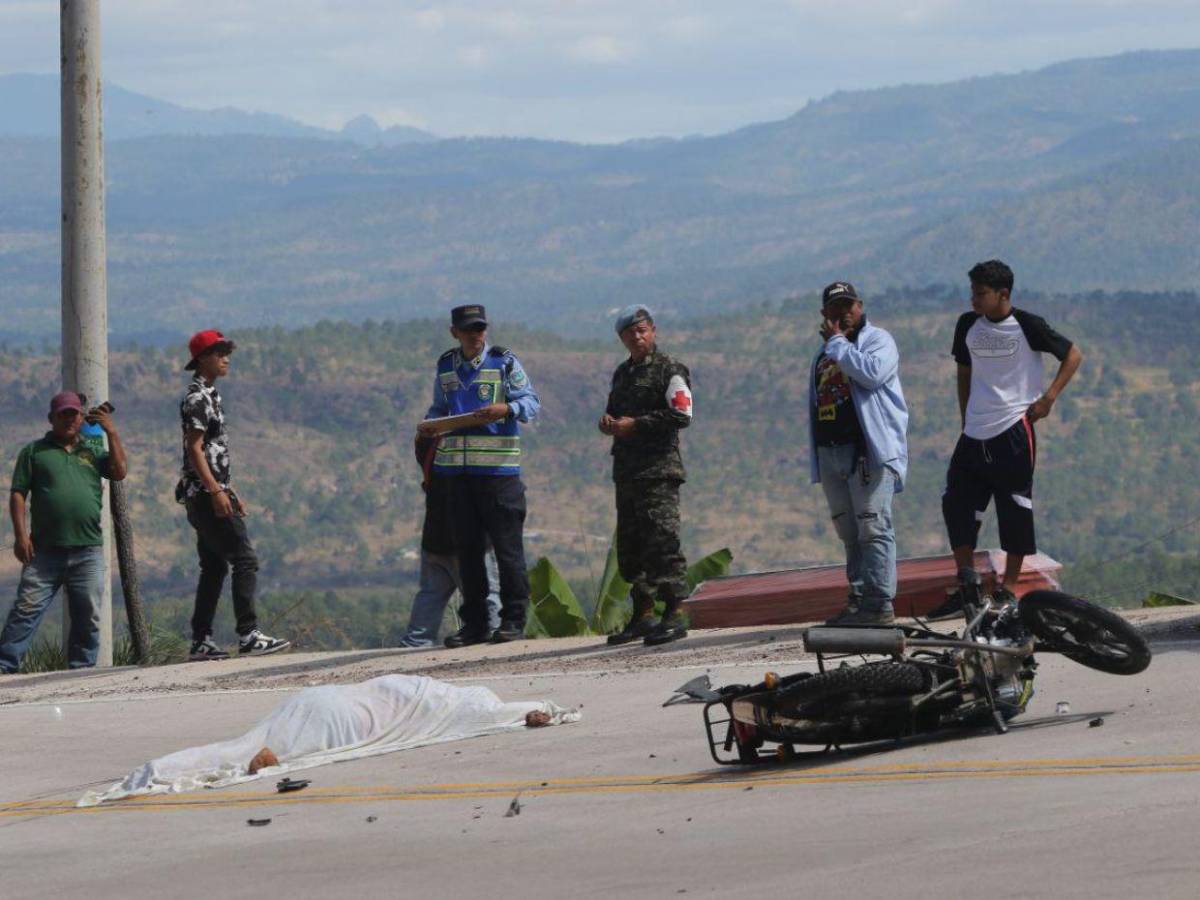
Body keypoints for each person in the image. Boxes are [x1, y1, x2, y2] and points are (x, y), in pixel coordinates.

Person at [929, 260, 1082, 619]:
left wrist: (1048, 399)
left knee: (1014, 508)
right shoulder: (968, 325)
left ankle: (1007, 590)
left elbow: (1073, 354)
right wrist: (965, 415)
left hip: (1013, 429)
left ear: (1003, 294)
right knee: (957, 502)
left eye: (981, 293)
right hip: (974, 433)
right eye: (972, 292)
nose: (974, 300)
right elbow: (964, 371)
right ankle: (966, 584)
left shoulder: (1027, 325)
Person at [418, 306, 540, 647]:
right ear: (454, 332)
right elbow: (440, 408)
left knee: (507, 550)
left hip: (498, 473)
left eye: (480, 328)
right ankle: (475, 624)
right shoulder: (446, 366)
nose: (476, 335)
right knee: (467, 551)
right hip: (456, 474)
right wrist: (430, 424)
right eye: (469, 329)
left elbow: (531, 403)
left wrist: (507, 409)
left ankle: (513, 619)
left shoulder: (504, 363)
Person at [176, 329, 290, 660]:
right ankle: (249, 634)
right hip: (204, 494)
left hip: (209, 491)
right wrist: (214, 490)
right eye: (218, 352)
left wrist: (228, 488)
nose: (225, 358)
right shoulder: (197, 398)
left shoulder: (210, 395)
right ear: (201, 359)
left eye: (227, 351)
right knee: (244, 559)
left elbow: (213, 450)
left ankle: (201, 640)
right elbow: (194, 449)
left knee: (213, 567)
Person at [0, 391, 127, 673]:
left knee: (88, 614)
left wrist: (112, 431)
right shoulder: (34, 452)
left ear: (82, 418)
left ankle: (80, 671)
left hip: (87, 549)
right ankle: (5, 667)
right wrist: (21, 537)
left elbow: (119, 471)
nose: (70, 420)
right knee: (26, 609)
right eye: (63, 415)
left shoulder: (93, 451)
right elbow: (18, 495)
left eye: (74, 414)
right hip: (44, 551)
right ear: (51, 419)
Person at [808, 282, 909, 626]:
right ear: (824, 314)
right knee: (848, 531)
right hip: (832, 452)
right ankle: (858, 599)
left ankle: (880, 603)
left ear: (860, 306)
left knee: (873, 526)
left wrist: (836, 343)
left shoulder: (878, 341)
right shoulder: (824, 355)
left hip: (868, 453)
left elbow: (872, 374)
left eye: (848, 306)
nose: (842, 314)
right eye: (835, 308)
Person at [599, 305, 693, 646]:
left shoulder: (669, 369)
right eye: (630, 333)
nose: (637, 337)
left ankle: (676, 611)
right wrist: (610, 423)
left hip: (658, 470)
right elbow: (614, 411)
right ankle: (642, 614)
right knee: (631, 547)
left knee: (662, 542)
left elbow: (682, 414)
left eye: (642, 330)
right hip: (627, 471)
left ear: (652, 330)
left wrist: (635, 425)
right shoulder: (622, 374)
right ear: (622, 338)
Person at [397, 435, 502, 648]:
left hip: (434, 540)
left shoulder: (430, 456)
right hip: (468, 542)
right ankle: (495, 639)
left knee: (430, 596)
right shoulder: (467, 464)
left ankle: (415, 643)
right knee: (489, 596)